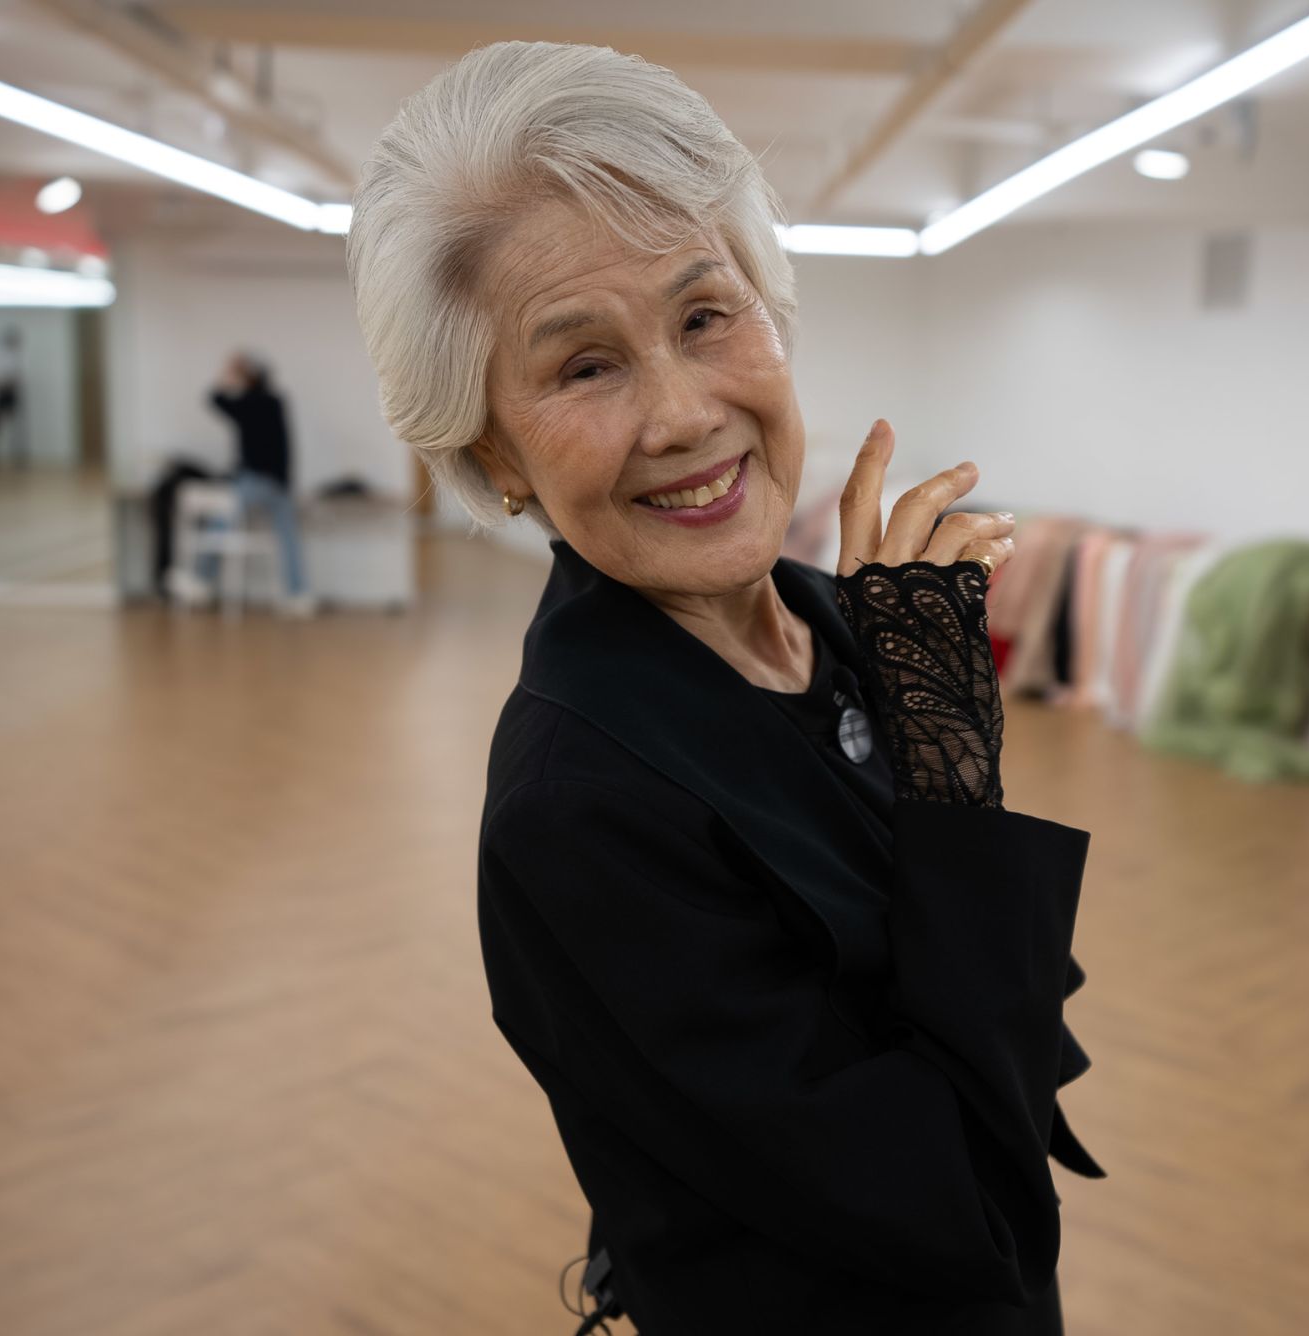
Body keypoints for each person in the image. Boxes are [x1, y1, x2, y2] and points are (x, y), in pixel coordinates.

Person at [347, 41, 1101, 1334]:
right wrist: (947, 744)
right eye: (585, 365)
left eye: (706, 317)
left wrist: (930, 701)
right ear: (494, 450)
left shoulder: (837, 620)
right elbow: (960, 1203)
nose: (687, 413)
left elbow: (995, 1012)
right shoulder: (579, 809)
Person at [167, 352, 315, 617]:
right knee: (289, 538)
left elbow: (214, 399)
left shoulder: (249, 403)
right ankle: (298, 594)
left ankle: (200, 580)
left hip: (256, 479)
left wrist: (226, 376)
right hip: (280, 483)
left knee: (221, 519)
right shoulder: (276, 402)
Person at [0, 326, 26, 467]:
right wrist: (5, 382)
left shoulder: (14, 355)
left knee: (14, 424)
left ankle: (16, 454)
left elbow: (16, 376)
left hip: (10, 392)